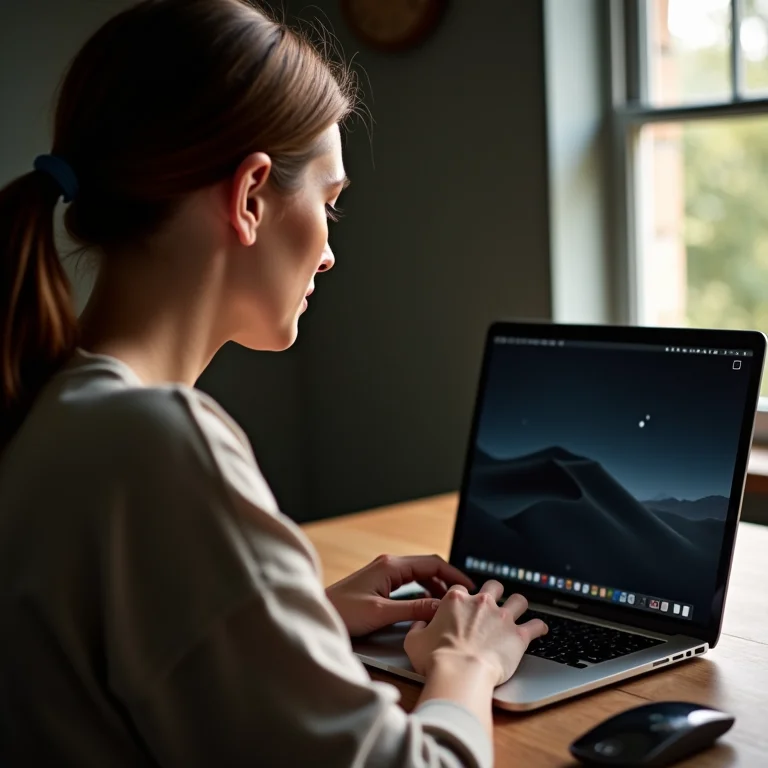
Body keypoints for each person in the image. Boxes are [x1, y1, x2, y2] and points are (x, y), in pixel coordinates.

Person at [0, 1, 548, 765]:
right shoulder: (157, 445)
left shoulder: (46, 398)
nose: (329, 253)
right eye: (330, 202)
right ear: (251, 196)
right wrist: (468, 662)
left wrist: (293, 621)